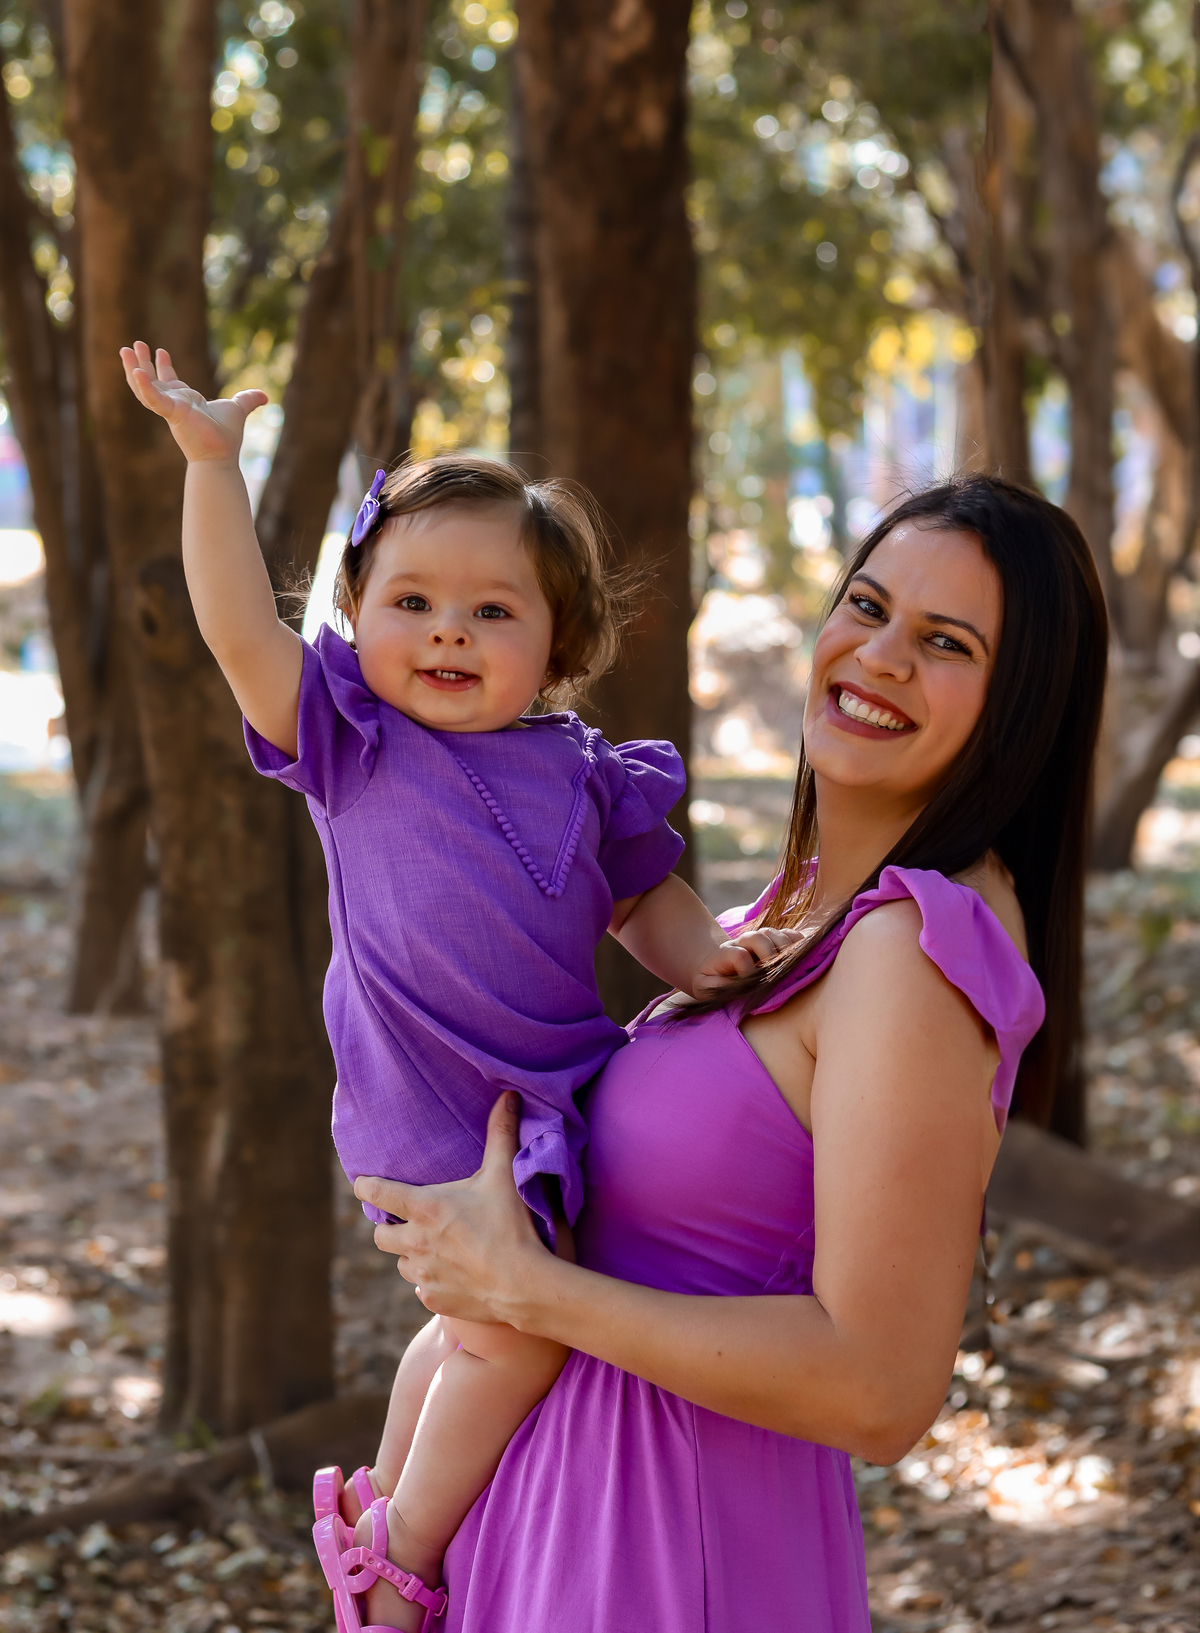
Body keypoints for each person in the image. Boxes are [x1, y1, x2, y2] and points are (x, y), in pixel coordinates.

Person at [354, 476, 1109, 1632]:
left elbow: (880, 1385)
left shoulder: (911, 950)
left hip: (667, 1558)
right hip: (564, 1530)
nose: (880, 657)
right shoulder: (782, 925)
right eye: (868, 606)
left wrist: (533, 1290)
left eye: (946, 642)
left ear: (1022, 707)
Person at [118, 343, 786, 1633]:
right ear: (357, 614)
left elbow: (644, 901)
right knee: (518, 1328)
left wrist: (706, 958)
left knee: (479, 1324)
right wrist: (211, 468)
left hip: (555, 1096)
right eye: (412, 600)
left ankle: (374, 1502)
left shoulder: (587, 772)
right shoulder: (354, 741)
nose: (447, 632)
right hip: (426, 1100)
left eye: (493, 611)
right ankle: (401, 1556)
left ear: (558, 641)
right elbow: (238, 628)